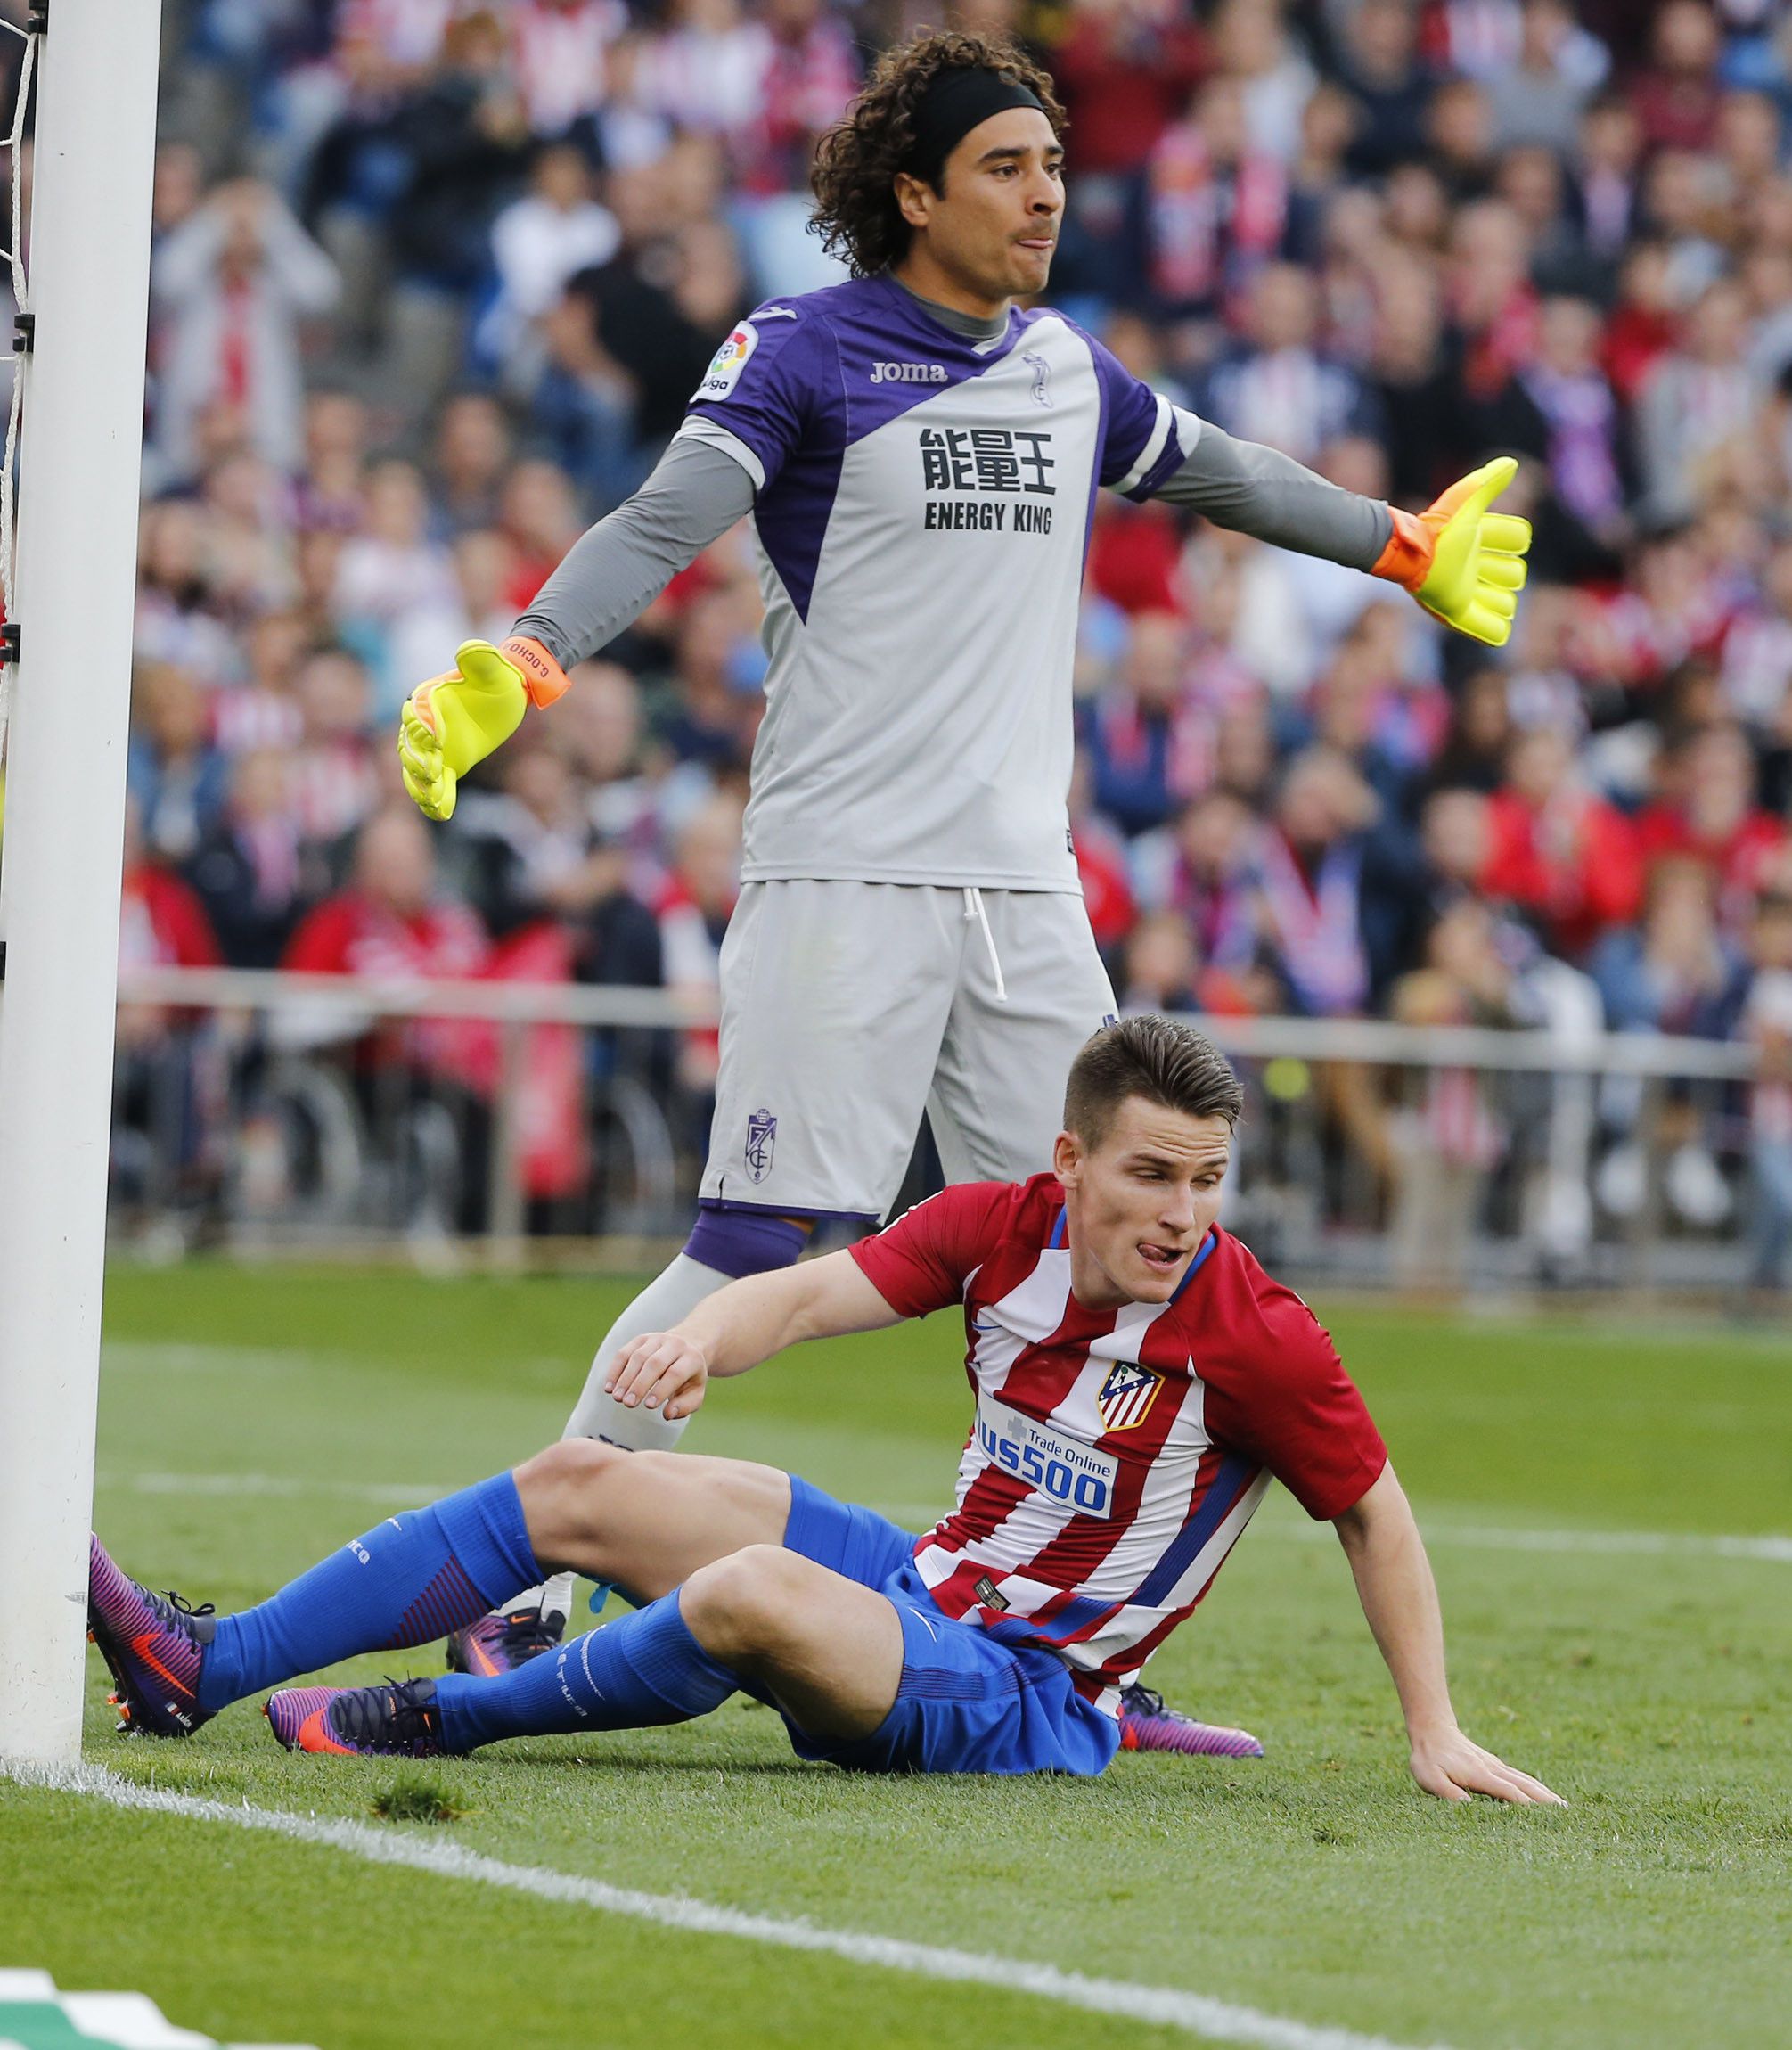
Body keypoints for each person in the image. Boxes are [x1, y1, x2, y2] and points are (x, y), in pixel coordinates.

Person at [392, 29, 1533, 1661]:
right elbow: (661, 520)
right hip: (842, 868)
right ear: (914, 192)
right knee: (751, 1245)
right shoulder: (798, 350)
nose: (1044, 194)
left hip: (1023, 893)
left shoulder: (1069, 367)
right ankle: (527, 1587)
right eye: (1007, 166)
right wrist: (528, 656)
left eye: (1056, 167)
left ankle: (1053, 1641)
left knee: (1116, 1256)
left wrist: (1396, 544)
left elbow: (1217, 471)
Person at [86, 1017, 1560, 1803]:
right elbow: (801, 1292)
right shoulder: (1001, 1224)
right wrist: (700, 1345)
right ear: (1071, 1160)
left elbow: (1371, 1506)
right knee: (582, 1476)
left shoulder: (1257, 1334)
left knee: (752, 1594)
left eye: (1207, 1180)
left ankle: (434, 1722)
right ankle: (199, 1665)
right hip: (921, 1586)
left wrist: (1431, 1728)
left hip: (1028, 1697)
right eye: (1151, 1174)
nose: (1183, 1213)